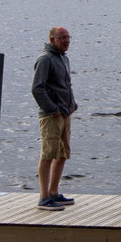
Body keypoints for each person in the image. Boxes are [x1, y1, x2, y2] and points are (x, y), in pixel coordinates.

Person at [32, 26, 78, 211]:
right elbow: (37, 88)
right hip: (52, 116)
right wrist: (53, 110)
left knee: (62, 153)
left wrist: (72, 105)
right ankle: (43, 197)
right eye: (62, 38)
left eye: (68, 37)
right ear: (52, 40)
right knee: (48, 154)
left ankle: (54, 192)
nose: (66, 41)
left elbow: (66, 85)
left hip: (65, 113)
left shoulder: (63, 58)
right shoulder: (45, 59)